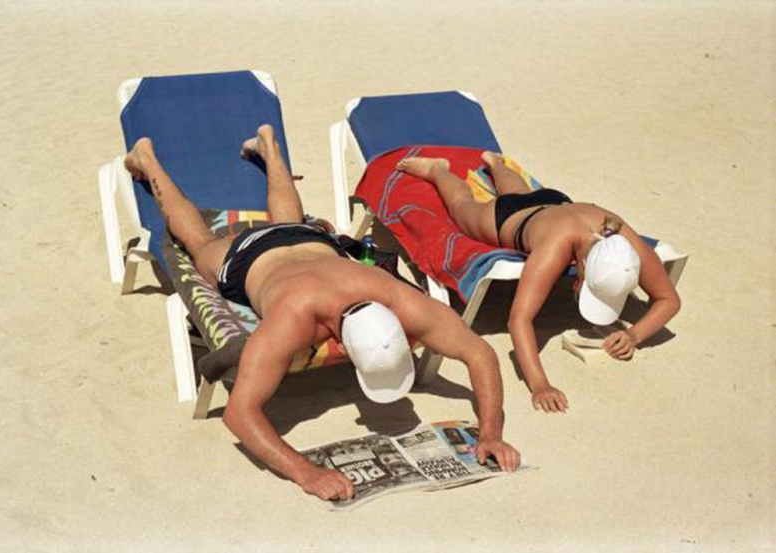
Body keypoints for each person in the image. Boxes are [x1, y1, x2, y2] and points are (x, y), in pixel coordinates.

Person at [123, 125, 521, 502]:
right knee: (199, 242)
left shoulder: (392, 300)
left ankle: (265, 146)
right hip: (252, 257)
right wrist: (306, 473)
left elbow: (479, 355)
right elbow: (239, 414)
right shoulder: (304, 317)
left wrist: (491, 433)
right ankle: (151, 159)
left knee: (287, 225)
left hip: (307, 239)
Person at [396, 153, 681, 415]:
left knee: (522, 194)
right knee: (462, 208)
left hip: (553, 202)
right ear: (581, 266)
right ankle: (438, 170)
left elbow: (670, 300)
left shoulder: (619, 235)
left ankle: (496, 165)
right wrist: (540, 384)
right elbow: (519, 319)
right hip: (508, 217)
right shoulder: (554, 249)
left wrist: (634, 335)